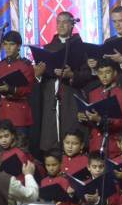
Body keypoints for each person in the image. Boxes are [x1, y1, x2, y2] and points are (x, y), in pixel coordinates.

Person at [39, 12, 92, 153]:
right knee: (51, 134)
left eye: (65, 22)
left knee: (70, 130)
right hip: (51, 94)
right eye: (58, 22)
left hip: (71, 95)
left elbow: (87, 74)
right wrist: (39, 73)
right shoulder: (48, 48)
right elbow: (41, 75)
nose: (61, 25)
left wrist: (71, 74)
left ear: (72, 25)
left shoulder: (81, 47)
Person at [79, 58, 122, 157]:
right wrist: (83, 118)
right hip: (95, 145)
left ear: (115, 73)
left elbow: (120, 123)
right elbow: (91, 120)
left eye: (108, 72)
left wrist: (99, 119)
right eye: (100, 73)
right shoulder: (93, 93)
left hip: (112, 146)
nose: (104, 76)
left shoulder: (121, 94)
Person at [0, 30, 36, 149]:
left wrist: (11, 89)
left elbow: (28, 90)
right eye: (5, 44)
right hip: (4, 112)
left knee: (20, 149)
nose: (8, 47)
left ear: (18, 46)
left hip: (19, 113)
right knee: (2, 151)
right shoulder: (1, 65)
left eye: (11, 44)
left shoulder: (25, 65)